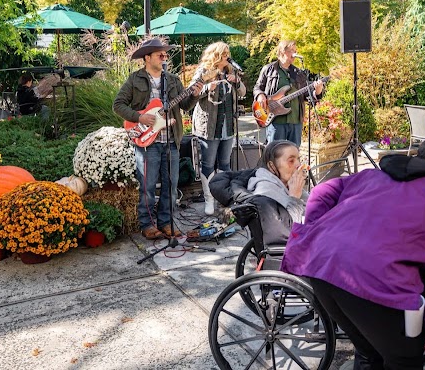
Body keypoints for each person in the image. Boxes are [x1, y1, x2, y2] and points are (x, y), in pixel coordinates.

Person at [281, 135, 425, 370]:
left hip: (322, 267)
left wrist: (316, 231)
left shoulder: (373, 174)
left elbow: (321, 191)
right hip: (377, 281)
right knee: (404, 359)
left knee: (369, 351)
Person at [113, 38, 200, 240]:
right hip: (147, 142)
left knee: (171, 184)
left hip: (171, 140)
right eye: (160, 54)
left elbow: (185, 106)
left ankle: (167, 222)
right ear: (147, 57)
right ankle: (148, 224)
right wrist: (139, 117)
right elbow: (118, 105)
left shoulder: (173, 80)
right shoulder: (135, 80)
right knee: (148, 186)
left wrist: (194, 95)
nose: (164, 56)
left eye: (165, 54)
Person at [209, 140, 306, 247]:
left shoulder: (288, 186)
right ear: (272, 166)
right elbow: (288, 234)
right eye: (291, 161)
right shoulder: (265, 192)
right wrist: (295, 198)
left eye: (299, 159)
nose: (298, 165)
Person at [191, 42, 246, 215]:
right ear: (215, 55)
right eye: (224, 54)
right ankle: (209, 199)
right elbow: (192, 92)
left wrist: (237, 82)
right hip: (209, 125)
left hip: (227, 125)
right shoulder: (204, 71)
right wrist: (207, 88)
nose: (227, 57)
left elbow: (243, 93)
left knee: (225, 163)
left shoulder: (231, 71)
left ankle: (223, 197)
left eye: (228, 54)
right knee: (208, 163)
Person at [253, 40, 323, 145]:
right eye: (291, 50)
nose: (295, 54)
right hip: (276, 121)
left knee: (293, 153)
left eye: (295, 50)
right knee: (275, 153)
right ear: (282, 52)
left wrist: (317, 91)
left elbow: (307, 95)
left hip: (295, 121)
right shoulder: (268, 69)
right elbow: (257, 87)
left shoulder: (298, 73)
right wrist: (260, 95)